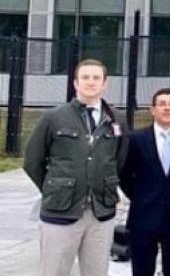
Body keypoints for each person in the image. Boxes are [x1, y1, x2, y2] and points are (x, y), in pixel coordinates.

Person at [23, 58, 129, 276]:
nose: (91, 82)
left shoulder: (117, 119)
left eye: (96, 78)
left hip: (101, 214)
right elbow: (33, 161)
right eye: (85, 77)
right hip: (61, 213)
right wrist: (56, 189)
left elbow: (120, 158)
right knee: (54, 271)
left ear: (105, 83)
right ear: (75, 83)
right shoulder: (53, 117)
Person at [119, 88, 170, 276]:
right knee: (141, 270)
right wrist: (142, 196)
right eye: (162, 104)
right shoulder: (136, 139)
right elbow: (125, 175)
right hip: (143, 216)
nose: (167, 108)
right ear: (153, 110)